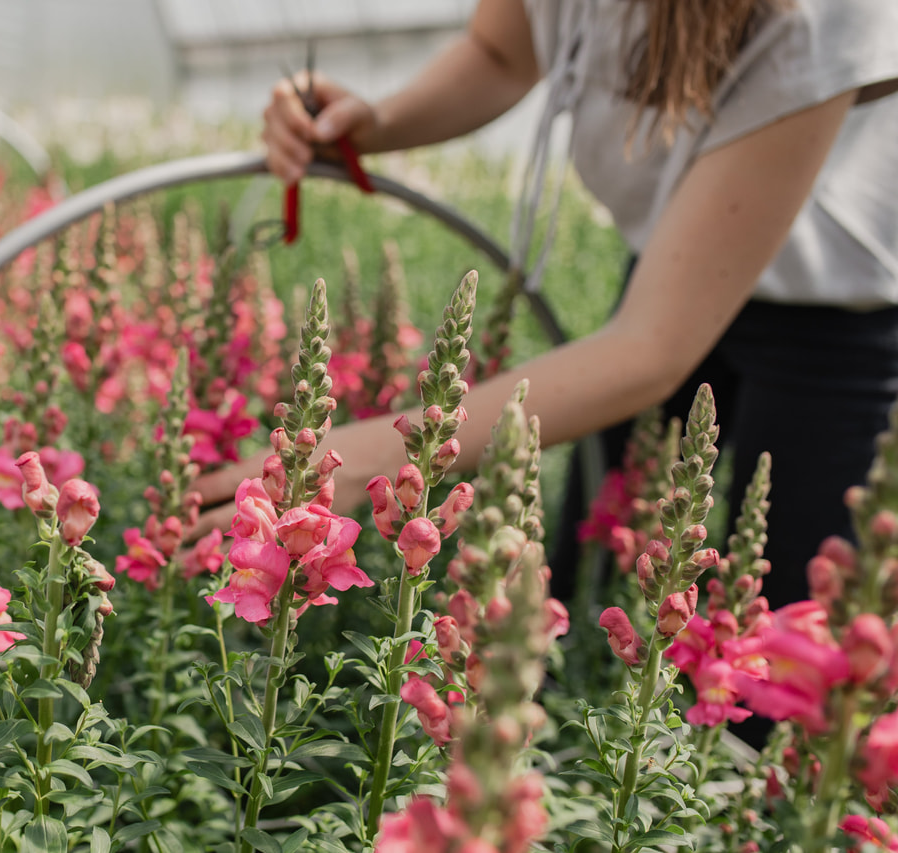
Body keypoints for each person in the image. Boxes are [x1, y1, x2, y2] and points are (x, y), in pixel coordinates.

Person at [194, 0, 898, 611]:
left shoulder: (813, 14)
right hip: (673, 266)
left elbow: (650, 350)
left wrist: (373, 456)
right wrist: (375, 122)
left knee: (783, 634)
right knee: (590, 582)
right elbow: (501, 54)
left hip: (836, 323)